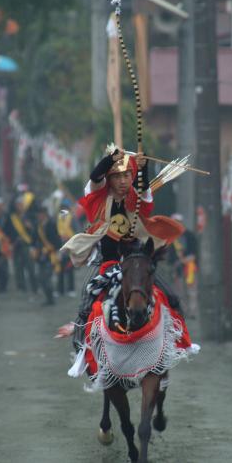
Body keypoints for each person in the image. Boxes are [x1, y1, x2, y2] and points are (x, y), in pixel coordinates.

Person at [59, 146, 184, 342]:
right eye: (117, 177)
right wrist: (110, 159)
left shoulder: (135, 199)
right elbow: (95, 176)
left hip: (137, 264)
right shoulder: (100, 197)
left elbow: (142, 189)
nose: (123, 181)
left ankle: (177, 340)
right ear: (109, 180)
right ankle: (83, 343)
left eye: (127, 175)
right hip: (109, 265)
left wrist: (143, 168)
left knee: (171, 297)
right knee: (88, 301)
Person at [4, 192, 38, 295]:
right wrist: (12, 240)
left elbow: (36, 231)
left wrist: (30, 227)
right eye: (18, 204)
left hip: (27, 245)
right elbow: (6, 230)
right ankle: (21, 287)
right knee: (18, 267)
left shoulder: (29, 216)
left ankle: (34, 287)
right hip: (16, 245)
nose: (20, 206)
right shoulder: (11, 217)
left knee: (30, 267)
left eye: (21, 204)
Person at [34, 206, 62, 306]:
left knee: (47, 278)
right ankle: (48, 297)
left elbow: (58, 242)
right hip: (40, 255)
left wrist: (51, 249)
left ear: (45, 214)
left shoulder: (52, 224)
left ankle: (50, 299)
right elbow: (35, 239)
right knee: (40, 278)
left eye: (41, 214)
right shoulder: (38, 226)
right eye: (38, 214)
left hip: (50, 255)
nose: (39, 216)